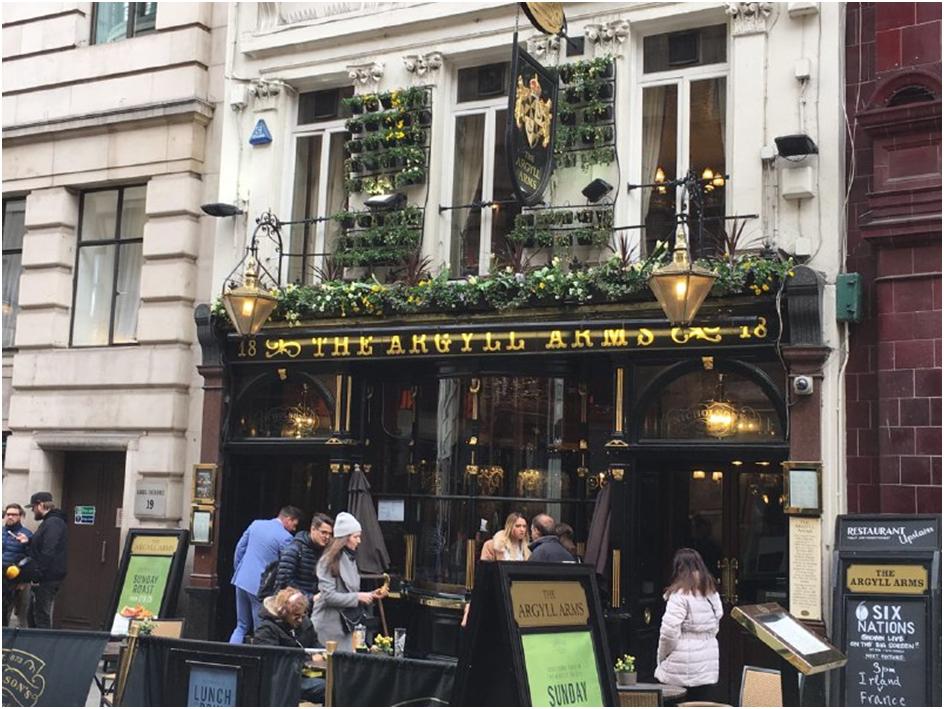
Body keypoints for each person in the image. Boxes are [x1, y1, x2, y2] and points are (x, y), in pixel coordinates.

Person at [655, 548, 724, 700]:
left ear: (678, 568)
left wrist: (662, 657)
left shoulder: (679, 595)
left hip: (680, 664)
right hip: (707, 660)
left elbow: (668, 633)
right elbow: (717, 620)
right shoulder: (711, 592)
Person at [311, 512, 386, 650]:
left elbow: (350, 592)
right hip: (327, 627)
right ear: (345, 538)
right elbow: (328, 596)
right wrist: (358, 597)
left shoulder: (350, 559)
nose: (359, 541)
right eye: (356, 537)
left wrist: (371, 594)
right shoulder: (328, 561)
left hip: (345, 626)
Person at [229, 505, 302, 644]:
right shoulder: (286, 538)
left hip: (241, 580)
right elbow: (287, 565)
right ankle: (258, 661)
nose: (294, 528)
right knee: (260, 628)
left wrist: (239, 570)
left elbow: (239, 549)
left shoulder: (256, 524)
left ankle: (231, 657)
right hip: (261, 587)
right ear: (288, 519)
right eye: (294, 524)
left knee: (241, 626)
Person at [253, 587, 324, 704]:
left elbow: (314, 642)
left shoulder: (304, 622)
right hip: (284, 680)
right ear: (284, 612)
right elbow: (275, 661)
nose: (300, 620)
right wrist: (309, 659)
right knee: (328, 688)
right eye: (296, 616)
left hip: (304, 673)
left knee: (338, 684)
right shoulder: (266, 629)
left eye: (303, 615)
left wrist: (322, 652)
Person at [14, 492, 68, 628]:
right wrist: (29, 540)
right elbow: (44, 543)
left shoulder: (53, 522)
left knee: (41, 615)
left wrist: (38, 573)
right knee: (33, 615)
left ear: (41, 505)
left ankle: (43, 647)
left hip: (47, 577)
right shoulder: (49, 522)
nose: (32, 511)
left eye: (33, 507)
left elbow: (49, 549)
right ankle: (37, 646)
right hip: (45, 575)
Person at [275, 513, 333, 602]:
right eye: (323, 532)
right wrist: (310, 598)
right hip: (296, 605)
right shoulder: (294, 549)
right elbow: (284, 582)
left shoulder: (324, 551)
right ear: (313, 529)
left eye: (329, 534)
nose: (327, 537)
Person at [3, 503, 32, 627]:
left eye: (14, 514)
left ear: (20, 516)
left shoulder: (26, 534)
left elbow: (30, 557)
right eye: (8, 514)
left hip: (19, 577)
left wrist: (24, 581)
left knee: (22, 614)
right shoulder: (2, 532)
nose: (10, 517)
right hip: (3, 576)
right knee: (4, 612)